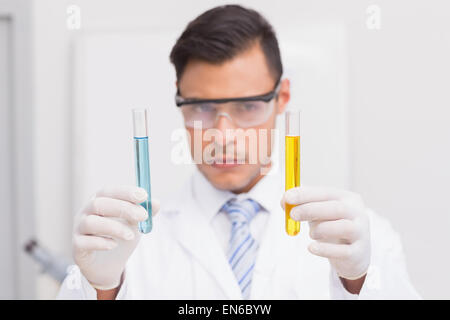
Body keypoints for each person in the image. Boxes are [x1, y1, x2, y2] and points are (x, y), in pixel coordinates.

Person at [57, 5, 419, 300]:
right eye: (201, 107)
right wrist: (104, 290)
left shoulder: (361, 239)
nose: (223, 135)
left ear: (282, 99)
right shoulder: (128, 249)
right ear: (179, 99)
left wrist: (358, 283)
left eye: (247, 106)